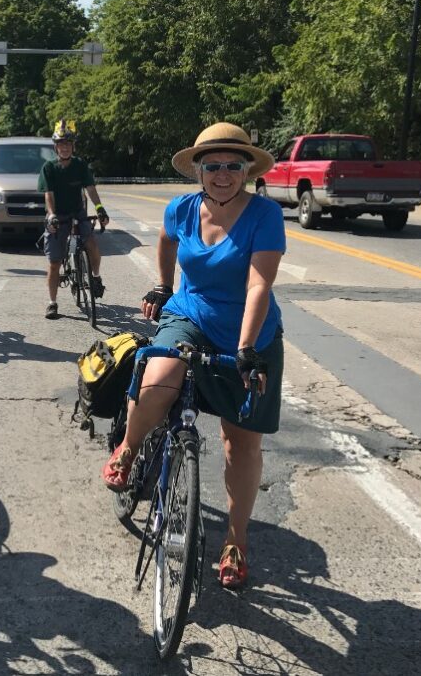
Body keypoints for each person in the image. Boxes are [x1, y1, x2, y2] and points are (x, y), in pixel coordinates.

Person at [100, 122, 285, 590]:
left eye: (233, 165)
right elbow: (165, 240)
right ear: (198, 171)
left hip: (250, 332)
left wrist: (245, 350)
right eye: (212, 165)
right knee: (159, 375)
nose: (222, 173)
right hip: (191, 315)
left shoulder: (264, 215)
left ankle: (236, 539)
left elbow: (259, 284)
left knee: (239, 441)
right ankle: (130, 448)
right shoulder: (181, 209)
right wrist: (164, 285)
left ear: (246, 170)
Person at [38, 119, 109, 320]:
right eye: (61, 144)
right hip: (57, 214)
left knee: (92, 243)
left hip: (77, 212)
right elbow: (48, 194)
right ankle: (52, 302)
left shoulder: (80, 165)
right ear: (55, 147)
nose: (65, 147)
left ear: (73, 146)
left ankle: (95, 277)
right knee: (54, 262)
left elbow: (90, 189)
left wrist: (100, 208)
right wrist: (51, 215)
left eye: (68, 144)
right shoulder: (49, 168)